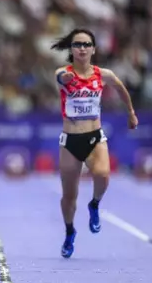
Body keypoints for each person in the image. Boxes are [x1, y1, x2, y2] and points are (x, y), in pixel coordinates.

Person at [51, 28, 138, 258]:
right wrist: (65, 79)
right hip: (70, 141)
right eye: (77, 44)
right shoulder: (63, 72)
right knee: (69, 197)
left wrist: (130, 112)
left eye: (86, 44)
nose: (82, 48)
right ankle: (70, 231)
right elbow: (60, 78)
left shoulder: (103, 74)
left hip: (94, 136)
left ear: (93, 49)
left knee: (103, 175)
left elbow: (120, 87)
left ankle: (95, 204)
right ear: (71, 49)